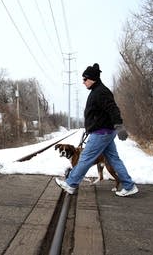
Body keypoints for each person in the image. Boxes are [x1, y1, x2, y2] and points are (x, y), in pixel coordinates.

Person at [55, 63, 138, 197]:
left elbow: (113, 109)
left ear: (92, 78)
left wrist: (119, 126)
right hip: (104, 132)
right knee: (114, 159)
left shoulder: (101, 92)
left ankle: (70, 184)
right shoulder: (97, 91)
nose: (83, 82)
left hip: (102, 133)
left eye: (85, 79)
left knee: (85, 158)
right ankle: (129, 186)